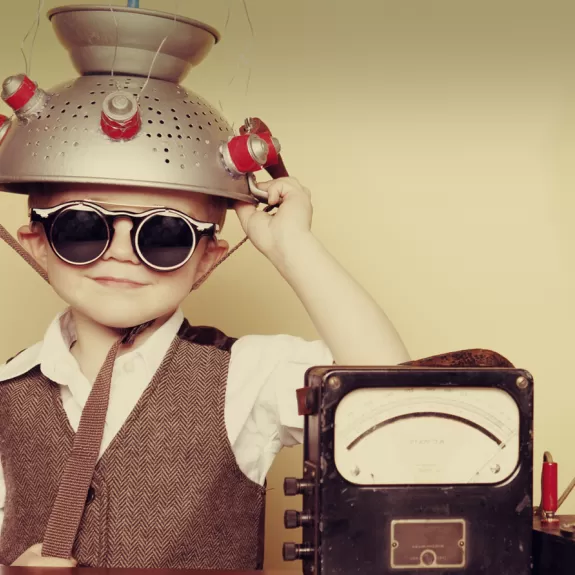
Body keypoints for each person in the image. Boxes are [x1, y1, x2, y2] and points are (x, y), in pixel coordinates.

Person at [0, 176, 409, 569]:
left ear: (207, 260)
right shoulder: (7, 389)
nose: (121, 253)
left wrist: (291, 246)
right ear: (38, 245)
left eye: (164, 234)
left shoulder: (245, 374)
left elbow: (390, 404)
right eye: (82, 226)